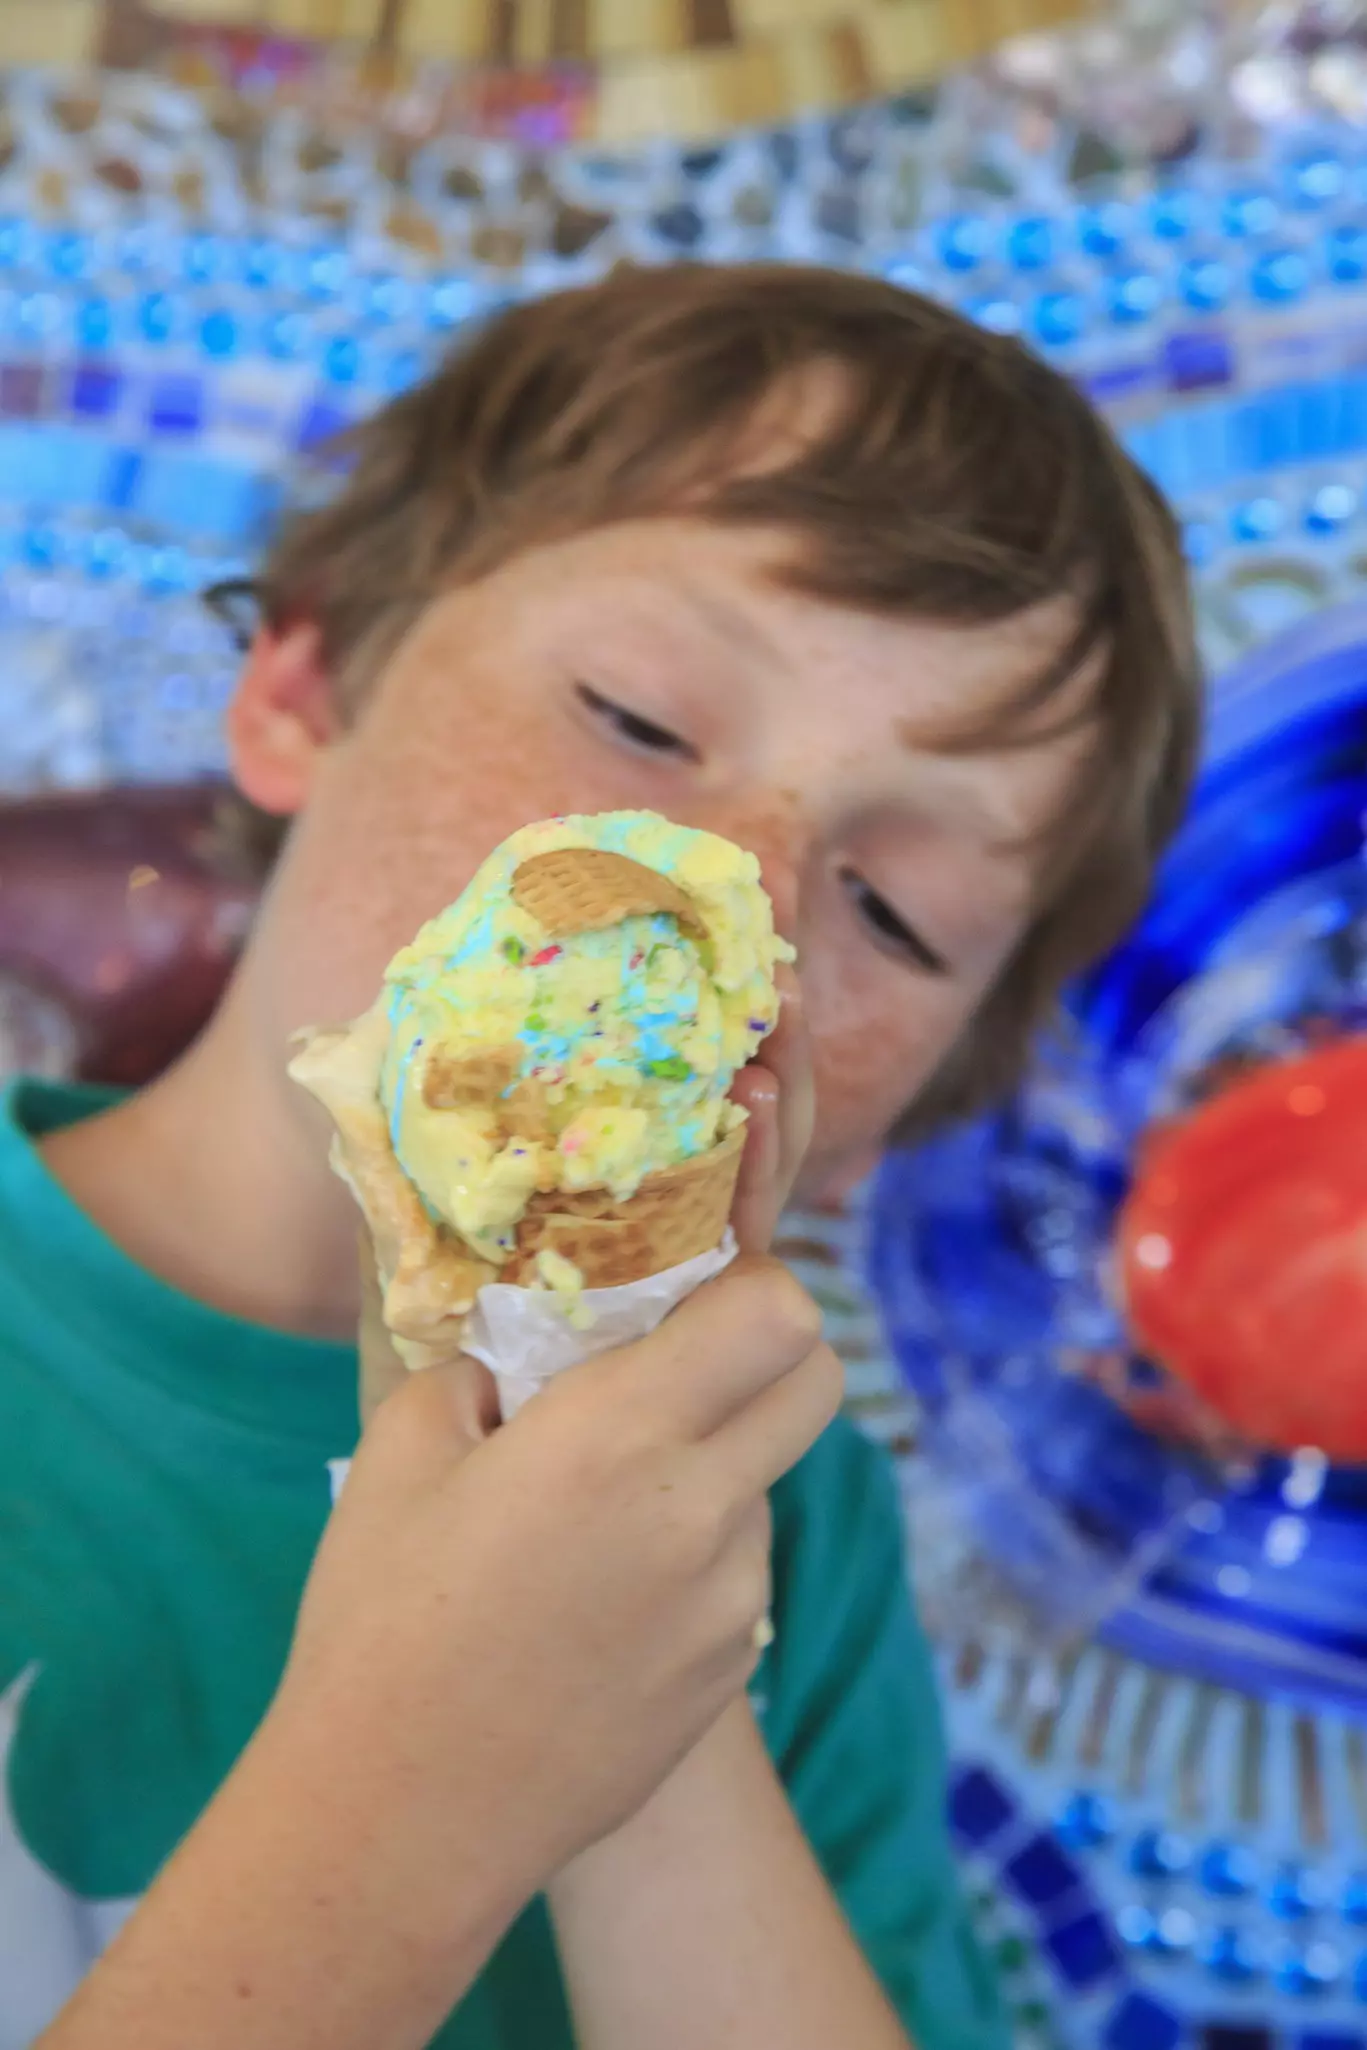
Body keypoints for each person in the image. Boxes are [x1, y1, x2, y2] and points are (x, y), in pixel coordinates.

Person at [0, 262, 1198, 2050]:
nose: (739, 897)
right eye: (635, 719)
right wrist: (439, 1768)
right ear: (306, 688)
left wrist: (648, 1664)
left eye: (893, 909)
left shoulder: (790, 1525)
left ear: (892, 1120)